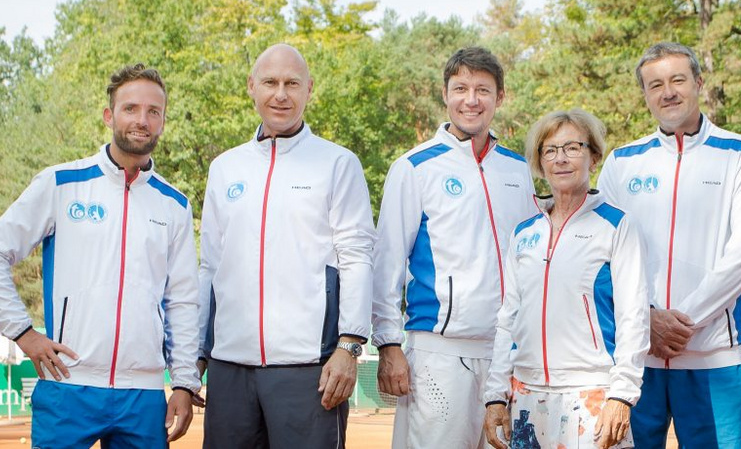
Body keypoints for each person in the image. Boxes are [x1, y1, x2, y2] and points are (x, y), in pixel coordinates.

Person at [0, 63, 200, 447]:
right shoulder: (61, 184)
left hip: (143, 395)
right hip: (67, 386)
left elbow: (183, 302)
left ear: (162, 122)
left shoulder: (174, 205)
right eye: (131, 109)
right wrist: (23, 334)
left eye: (153, 112)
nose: (142, 120)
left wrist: (185, 383)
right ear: (110, 115)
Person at [198, 43, 376, 448]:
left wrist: (350, 345)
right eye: (271, 82)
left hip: (309, 371)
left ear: (309, 89)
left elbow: (357, 257)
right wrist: (196, 356)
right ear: (251, 87)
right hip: (230, 370)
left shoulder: (337, 163)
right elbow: (209, 266)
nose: (281, 94)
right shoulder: (225, 167)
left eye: (292, 83)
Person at [597, 42, 741, 447]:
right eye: (655, 84)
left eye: (678, 80)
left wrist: (679, 325)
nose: (668, 92)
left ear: (699, 82)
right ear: (644, 94)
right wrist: (647, 320)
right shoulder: (622, 162)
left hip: (713, 361)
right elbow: (600, 257)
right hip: (637, 361)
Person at [372, 46, 538, 448]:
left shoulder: (519, 169)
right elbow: (386, 264)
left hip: (511, 355)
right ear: (445, 94)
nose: (471, 99)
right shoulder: (415, 167)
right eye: (460, 88)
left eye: (483, 89)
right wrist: (388, 345)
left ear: (500, 98)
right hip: (439, 355)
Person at [483, 109, 649, 449]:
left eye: (573, 147)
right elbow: (507, 320)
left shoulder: (617, 226)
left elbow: (634, 316)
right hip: (525, 395)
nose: (561, 159)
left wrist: (622, 394)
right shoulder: (524, 232)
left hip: (593, 395)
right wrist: (495, 396)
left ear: (594, 156)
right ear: (539, 162)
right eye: (550, 150)